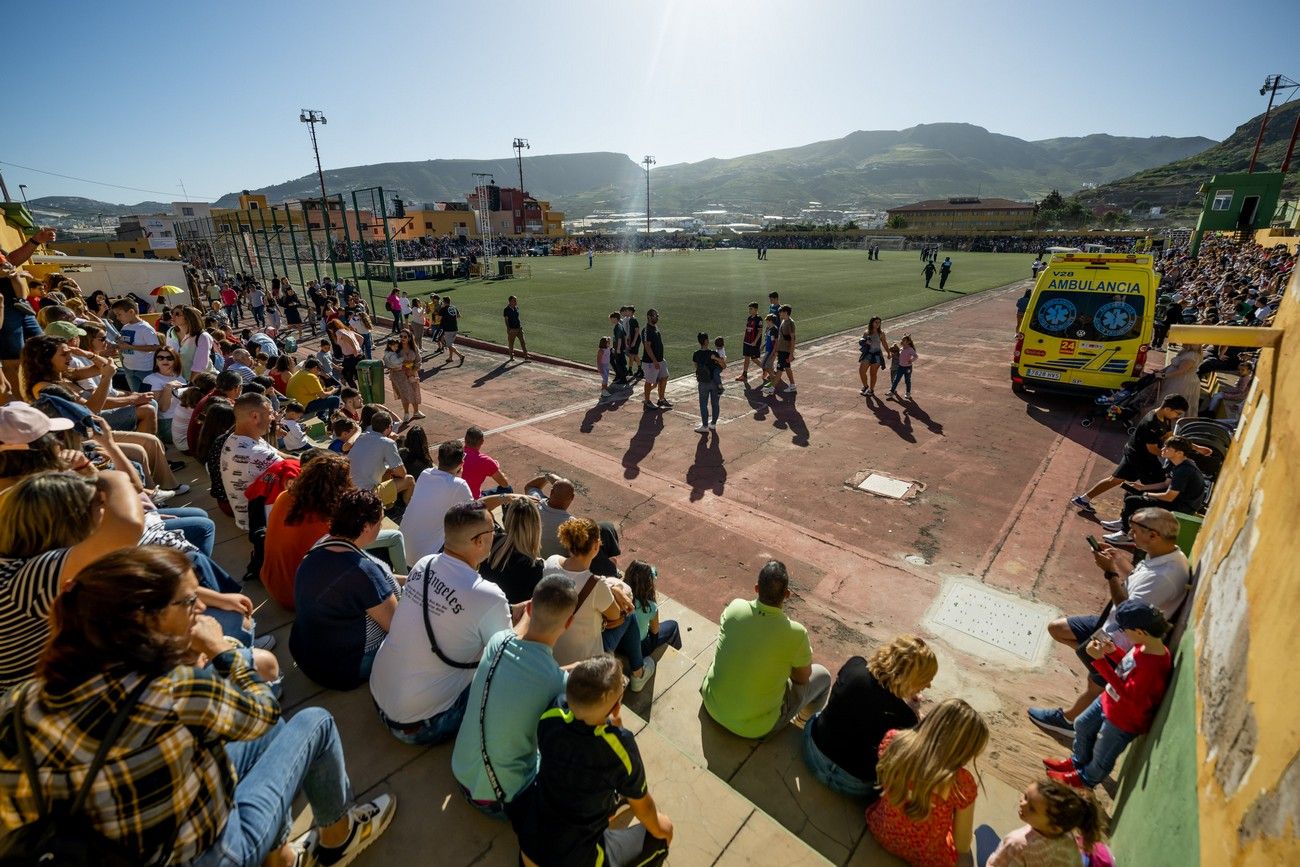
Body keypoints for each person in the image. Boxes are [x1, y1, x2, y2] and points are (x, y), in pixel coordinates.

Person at [0, 545, 396, 865]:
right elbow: (262, 710)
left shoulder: (19, 704)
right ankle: (337, 839)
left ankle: (281, 856)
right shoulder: (176, 690)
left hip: (99, 843)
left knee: (267, 736)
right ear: (143, 617)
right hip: (210, 851)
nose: (201, 610)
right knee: (315, 721)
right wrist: (221, 650)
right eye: (189, 602)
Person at [1028, 507, 1188, 738]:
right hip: (1109, 623)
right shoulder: (1163, 555)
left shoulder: (1164, 576)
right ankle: (1100, 678)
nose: (1130, 534)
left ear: (1153, 535)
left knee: (1094, 685)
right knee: (1058, 629)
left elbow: (1126, 612)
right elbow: (1135, 582)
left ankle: (1068, 721)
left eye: (1135, 531)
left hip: (1122, 639)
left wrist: (1110, 572)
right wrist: (1120, 561)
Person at [511, 655, 673, 867]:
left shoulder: (552, 713)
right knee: (664, 832)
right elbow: (644, 809)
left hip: (529, 850)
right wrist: (662, 828)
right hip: (576, 859)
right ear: (616, 707)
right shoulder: (618, 747)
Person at [371, 502, 509, 745]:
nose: (496, 535)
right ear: (478, 541)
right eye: (494, 531)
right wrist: (530, 617)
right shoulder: (488, 596)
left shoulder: (426, 564)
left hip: (380, 695)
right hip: (417, 726)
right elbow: (506, 657)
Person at [0, 469, 145, 691]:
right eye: (99, 506)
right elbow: (128, 526)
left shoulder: (16, 560)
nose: (106, 513)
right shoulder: (30, 577)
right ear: (69, 522)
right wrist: (113, 477)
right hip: (50, 697)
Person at [451, 575, 578, 815]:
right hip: (501, 800)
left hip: (461, 771)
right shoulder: (558, 683)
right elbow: (546, 677)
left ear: (529, 608)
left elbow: (528, 667)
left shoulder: (497, 642)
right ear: (568, 623)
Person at [1045, 601, 1172, 789]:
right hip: (1109, 701)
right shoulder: (1144, 647)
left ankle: (1086, 780)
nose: (1123, 634)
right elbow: (1128, 666)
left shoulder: (1152, 666)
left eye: (1125, 630)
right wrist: (1113, 652)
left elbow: (1127, 694)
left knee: (1102, 754)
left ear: (1139, 632)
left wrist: (1100, 662)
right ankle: (1078, 761)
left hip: (1122, 719)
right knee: (1082, 724)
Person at [700, 560, 832, 738]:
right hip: (756, 729)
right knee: (823, 676)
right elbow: (802, 679)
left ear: (756, 588)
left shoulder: (735, 608)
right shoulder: (796, 633)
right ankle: (800, 723)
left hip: (711, 706)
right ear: (786, 594)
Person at [290, 490, 401, 690]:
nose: (382, 526)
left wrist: (413, 578)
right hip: (341, 670)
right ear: (366, 526)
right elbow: (397, 627)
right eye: (380, 521)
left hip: (304, 653)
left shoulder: (322, 544)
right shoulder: (364, 573)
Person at [803, 635, 938, 799]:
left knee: (821, 715)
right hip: (854, 784)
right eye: (926, 680)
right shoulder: (905, 716)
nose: (929, 685)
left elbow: (868, 699)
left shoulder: (855, 666)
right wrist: (915, 714)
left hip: (813, 752)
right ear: (911, 679)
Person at [866, 698, 988, 867]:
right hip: (927, 858)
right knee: (966, 859)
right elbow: (962, 844)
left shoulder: (894, 741)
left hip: (882, 832)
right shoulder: (962, 783)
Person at [544, 519, 638, 674]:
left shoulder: (551, 562)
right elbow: (615, 615)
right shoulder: (596, 585)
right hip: (584, 662)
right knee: (629, 616)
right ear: (596, 546)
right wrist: (613, 587)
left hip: (552, 650)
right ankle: (638, 668)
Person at [1070, 395, 1189, 512]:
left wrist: (1190, 447)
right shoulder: (1151, 423)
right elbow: (1152, 449)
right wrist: (1173, 455)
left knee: (1115, 480)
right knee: (1159, 484)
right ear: (1168, 409)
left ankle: (1084, 499)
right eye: (1178, 413)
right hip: (1140, 457)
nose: (1177, 416)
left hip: (1135, 453)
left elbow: (1168, 436)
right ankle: (1135, 515)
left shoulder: (1165, 417)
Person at [1100, 436, 1206, 544]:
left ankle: (1127, 535)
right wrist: (1141, 487)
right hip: (1175, 498)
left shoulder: (1184, 470)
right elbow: (1166, 483)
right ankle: (1124, 521)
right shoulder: (1173, 462)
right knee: (1131, 492)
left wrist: (1146, 493)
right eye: (1164, 446)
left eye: (1167, 448)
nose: (1163, 449)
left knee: (1132, 501)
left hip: (1182, 506)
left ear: (1179, 453)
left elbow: (1169, 497)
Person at [988, 780, 1105, 867]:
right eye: (1026, 796)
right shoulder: (1067, 835)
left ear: (1054, 828)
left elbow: (996, 864)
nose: (1023, 804)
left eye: (1032, 808)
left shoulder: (1017, 843)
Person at [219, 393, 283, 534]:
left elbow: (280, 455)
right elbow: (295, 470)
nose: (273, 418)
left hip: (245, 513)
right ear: (255, 416)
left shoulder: (237, 438)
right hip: (258, 522)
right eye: (271, 413)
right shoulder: (254, 452)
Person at [400, 439, 472, 563]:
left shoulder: (425, 473)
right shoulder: (459, 485)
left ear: (438, 457)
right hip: (424, 561)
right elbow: (476, 511)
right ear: (461, 463)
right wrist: (502, 498)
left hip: (401, 550)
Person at [481, 497, 545, 604]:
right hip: (503, 617)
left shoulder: (493, 540)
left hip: (479, 604)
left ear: (508, 518)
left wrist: (506, 496)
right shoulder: (534, 567)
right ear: (536, 525)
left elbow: (476, 507)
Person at [347, 410, 414, 509]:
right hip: (366, 495)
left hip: (350, 490)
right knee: (410, 480)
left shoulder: (362, 436)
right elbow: (402, 473)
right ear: (389, 428)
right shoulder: (388, 443)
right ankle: (408, 510)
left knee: (386, 472)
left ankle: (388, 506)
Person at [624, 560, 682, 660]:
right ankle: (674, 654)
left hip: (620, 644)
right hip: (639, 648)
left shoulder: (618, 595)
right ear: (648, 583)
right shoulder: (649, 607)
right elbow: (655, 631)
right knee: (673, 625)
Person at [110, 298, 160, 392]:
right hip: (129, 369)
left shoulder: (145, 328)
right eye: (116, 315)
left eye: (119, 314)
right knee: (136, 396)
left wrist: (131, 347)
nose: (117, 318)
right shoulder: (125, 327)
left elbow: (155, 347)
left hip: (145, 370)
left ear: (131, 312)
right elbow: (124, 344)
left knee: (150, 396)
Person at [525, 472, 577, 558]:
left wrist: (547, 477)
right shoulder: (573, 524)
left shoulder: (534, 502)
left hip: (527, 556)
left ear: (551, 492)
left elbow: (530, 486)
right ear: (572, 497)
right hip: (551, 566)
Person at [144, 347, 187, 445]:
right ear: (156, 361)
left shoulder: (180, 378)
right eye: (160, 358)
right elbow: (162, 408)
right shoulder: (151, 379)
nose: (165, 360)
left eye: (169, 358)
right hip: (167, 423)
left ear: (175, 360)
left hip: (183, 418)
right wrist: (168, 388)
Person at [383, 331, 424, 423]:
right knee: (404, 394)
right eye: (401, 336)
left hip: (412, 373)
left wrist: (414, 369)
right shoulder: (397, 347)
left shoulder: (414, 347)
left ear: (409, 337)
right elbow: (389, 360)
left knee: (414, 392)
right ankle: (406, 413)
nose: (402, 338)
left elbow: (418, 359)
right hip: (399, 375)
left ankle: (416, 412)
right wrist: (402, 367)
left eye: (405, 336)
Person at [1155, 343, 1203, 419]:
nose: (1182, 342)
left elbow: (1182, 371)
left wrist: (1163, 375)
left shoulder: (1191, 355)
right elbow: (1173, 366)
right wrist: (1162, 371)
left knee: (1170, 403)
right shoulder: (1185, 351)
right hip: (1176, 380)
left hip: (1181, 383)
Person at [285, 356, 340, 421]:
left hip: (294, 404)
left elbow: (313, 392)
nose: (319, 373)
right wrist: (333, 390)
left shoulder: (299, 373)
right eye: (319, 370)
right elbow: (323, 396)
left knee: (323, 398)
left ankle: (321, 418)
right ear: (315, 368)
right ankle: (332, 423)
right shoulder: (311, 376)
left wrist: (327, 390)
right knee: (335, 399)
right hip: (303, 407)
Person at [462, 425, 510, 498]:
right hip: (473, 501)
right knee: (508, 489)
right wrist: (496, 467)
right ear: (482, 442)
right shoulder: (485, 461)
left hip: (454, 499)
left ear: (465, 439)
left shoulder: (456, 453)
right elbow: (504, 484)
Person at [692, 331, 725, 433]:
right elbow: (724, 365)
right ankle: (713, 424)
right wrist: (715, 359)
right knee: (715, 404)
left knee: (703, 404)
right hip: (714, 383)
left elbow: (696, 367)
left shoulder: (696, 354)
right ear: (706, 341)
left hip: (702, 383)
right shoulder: (713, 353)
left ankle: (705, 426)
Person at [640, 309, 670, 411]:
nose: (657, 317)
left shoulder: (655, 328)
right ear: (649, 317)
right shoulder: (646, 330)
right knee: (649, 381)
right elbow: (647, 347)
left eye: (657, 315)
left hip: (660, 360)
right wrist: (654, 361)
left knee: (664, 377)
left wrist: (659, 360)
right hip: (650, 362)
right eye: (655, 316)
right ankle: (647, 400)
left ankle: (661, 399)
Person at [767, 304, 797, 396]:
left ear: (786, 313)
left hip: (785, 350)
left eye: (781, 312)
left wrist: (791, 354)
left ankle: (771, 388)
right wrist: (777, 349)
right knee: (787, 367)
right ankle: (792, 385)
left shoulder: (790, 323)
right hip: (782, 350)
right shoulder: (784, 321)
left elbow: (792, 339)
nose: (779, 313)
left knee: (779, 369)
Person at [327, 319, 362, 388]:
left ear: (332, 328)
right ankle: (362, 391)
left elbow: (349, 339)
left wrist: (355, 350)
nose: (330, 331)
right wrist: (358, 348)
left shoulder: (338, 332)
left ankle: (355, 391)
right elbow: (361, 338)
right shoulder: (347, 330)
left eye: (330, 330)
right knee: (357, 375)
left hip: (351, 357)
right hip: (357, 355)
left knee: (347, 375)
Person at [858, 316, 888, 396]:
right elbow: (861, 341)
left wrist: (888, 353)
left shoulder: (881, 333)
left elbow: (884, 343)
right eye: (876, 322)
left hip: (877, 355)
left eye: (879, 323)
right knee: (861, 371)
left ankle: (871, 390)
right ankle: (865, 386)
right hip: (867, 354)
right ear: (872, 323)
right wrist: (865, 342)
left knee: (873, 374)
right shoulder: (866, 332)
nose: (878, 324)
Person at [737, 301, 763, 381]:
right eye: (749, 309)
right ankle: (744, 374)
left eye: (751, 309)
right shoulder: (749, 318)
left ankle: (767, 369)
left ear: (755, 309)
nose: (749, 310)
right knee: (746, 358)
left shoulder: (759, 319)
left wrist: (755, 341)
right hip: (747, 342)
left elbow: (760, 331)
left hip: (753, 343)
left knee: (754, 359)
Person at [887, 334, 918, 400]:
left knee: (907, 380)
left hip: (908, 368)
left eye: (904, 340)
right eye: (902, 340)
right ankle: (891, 392)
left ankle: (908, 393)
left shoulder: (910, 349)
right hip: (900, 367)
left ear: (908, 342)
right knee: (896, 380)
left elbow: (916, 356)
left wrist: (911, 360)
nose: (902, 341)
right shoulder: (901, 349)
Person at [504, 295, 529, 361]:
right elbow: (506, 320)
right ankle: (511, 357)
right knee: (511, 343)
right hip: (512, 329)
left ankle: (526, 356)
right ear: (510, 301)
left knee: (523, 342)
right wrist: (508, 329)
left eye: (516, 300)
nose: (516, 302)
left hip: (519, 328)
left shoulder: (516, 308)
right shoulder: (506, 310)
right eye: (514, 300)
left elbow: (517, 317)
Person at [608, 311, 628, 384]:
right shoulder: (619, 326)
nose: (611, 320)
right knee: (614, 360)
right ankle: (619, 375)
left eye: (612, 318)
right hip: (617, 348)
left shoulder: (618, 327)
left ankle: (622, 378)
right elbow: (625, 336)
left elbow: (619, 339)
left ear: (615, 318)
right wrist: (625, 345)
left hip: (618, 349)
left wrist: (618, 349)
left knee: (619, 363)